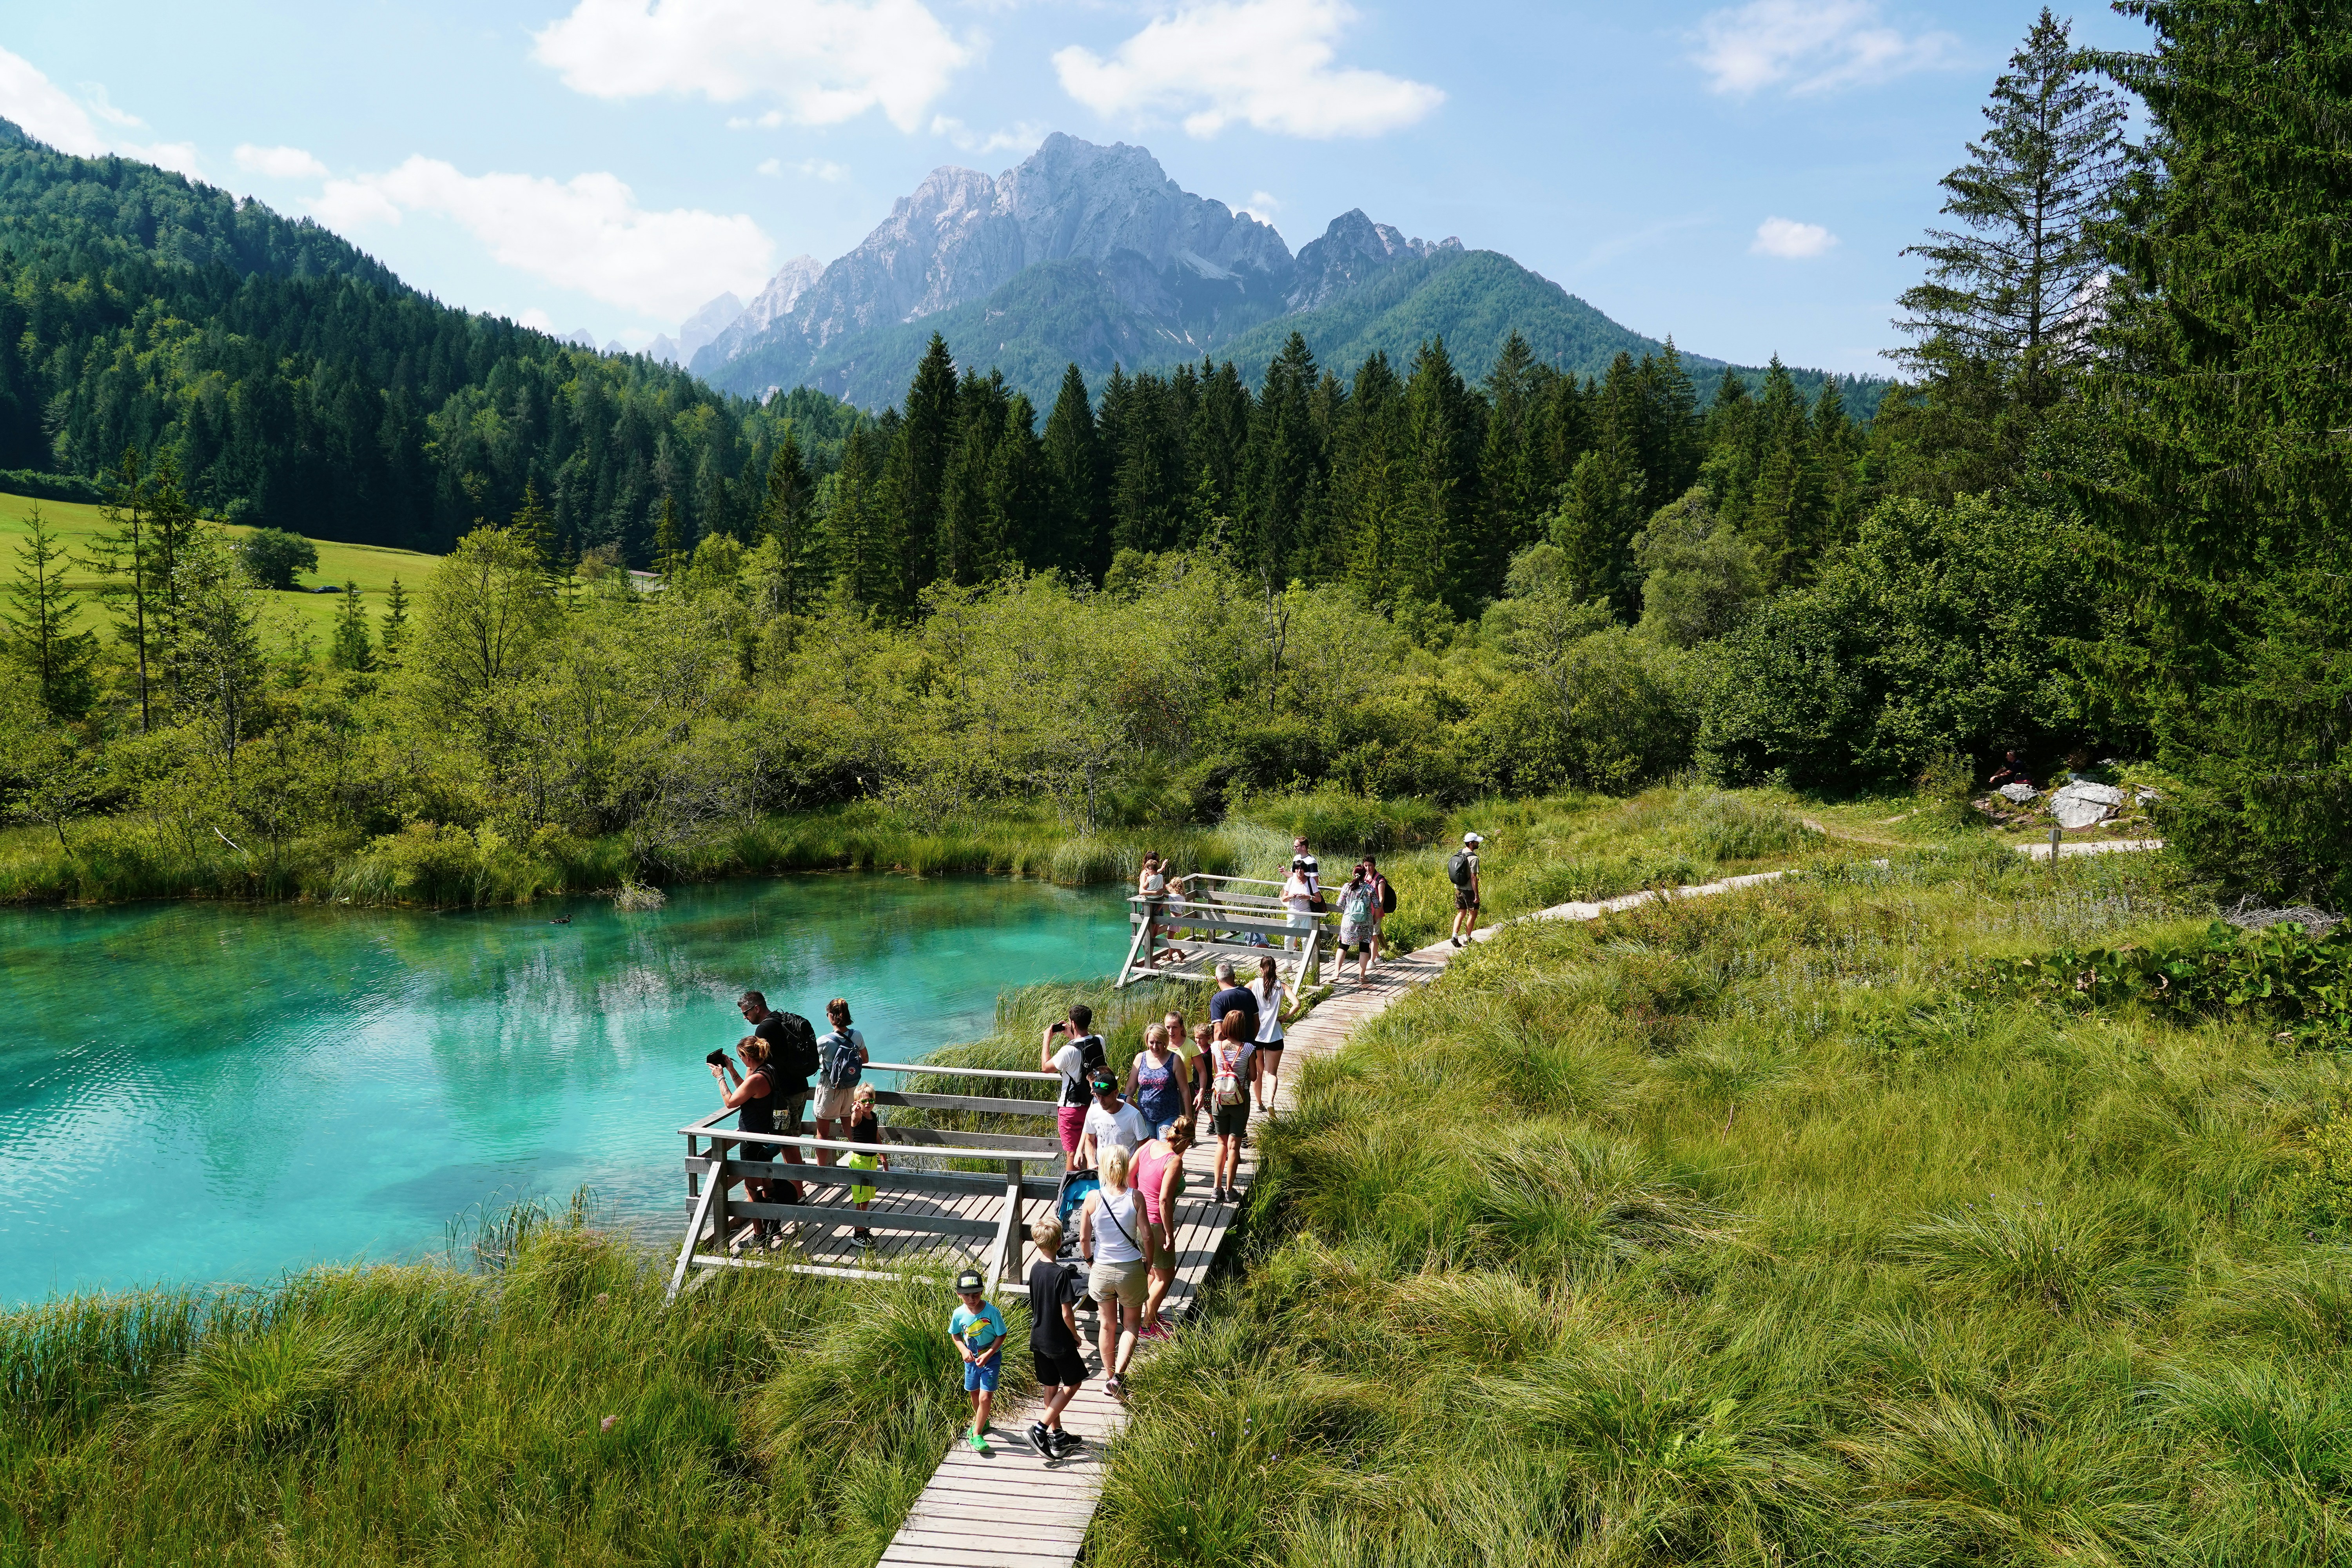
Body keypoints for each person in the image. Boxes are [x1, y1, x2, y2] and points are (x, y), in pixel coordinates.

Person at [1078, 1143, 1152, 1400]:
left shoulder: (1092, 1198)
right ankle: (1119, 1377)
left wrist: (1090, 1262)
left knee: (1106, 1325)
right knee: (1131, 1324)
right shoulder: (1136, 1197)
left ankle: (1109, 1377)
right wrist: (1148, 1264)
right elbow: (1147, 1236)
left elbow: (1084, 1239)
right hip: (1131, 1268)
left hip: (1102, 1269)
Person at [1024, 1218, 1087, 1459]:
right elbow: (1067, 1313)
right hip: (1059, 1341)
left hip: (1038, 1336)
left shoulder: (1034, 1269)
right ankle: (1039, 1430)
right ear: (1060, 1242)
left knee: (1050, 1386)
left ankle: (1058, 1437)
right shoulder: (1061, 1274)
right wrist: (1075, 1335)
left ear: (1036, 1242)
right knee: (1073, 1383)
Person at [708, 1034, 777, 1241]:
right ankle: (774, 1226)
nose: (740, 1060)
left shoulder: (756, 1078)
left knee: (750, 1186)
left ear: (748, 1056)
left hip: (752, 1139)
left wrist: (720, 1078)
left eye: (740, 1057)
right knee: (766, 1180)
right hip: (766, 1134)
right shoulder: (768, 1070)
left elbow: (731, 1101)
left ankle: (759, 1234)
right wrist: (730, 1069)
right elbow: (746, 1090)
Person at [737, 991, 811, 1176]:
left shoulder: (764, 1029)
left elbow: (756, 1062)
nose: (745, 1018)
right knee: (789, 1140)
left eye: (746, 1013)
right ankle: (797, 1186)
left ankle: (798, 1192)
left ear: (757, 1008)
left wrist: (746, 1088)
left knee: (787, 1143)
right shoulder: (780, 1018)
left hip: (787, 1093)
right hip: (801, 1086)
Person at [1134, 1120, 1194, 1337]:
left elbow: (1131, 1175)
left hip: (1137, 1219)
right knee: (1165, 1275)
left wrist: (1135, 1203)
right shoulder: (1174, 1161)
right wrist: (1170, 1233)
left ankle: (1146, 1315)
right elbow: (1165, 1201)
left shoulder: (1149, 1145)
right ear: (1186, 1141)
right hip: (1155, 1224)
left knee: (1152, 1270)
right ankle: (1148, 1326)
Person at [1041, 1005, 1108, 1170]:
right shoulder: (1100, 1041)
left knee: (1072, 1153)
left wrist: (1046, 1039)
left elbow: (1046, 1067)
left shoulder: (1067, 1051)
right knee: (1091, 1147)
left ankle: (1070, 1191)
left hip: (1071, 1108)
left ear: (1073, 1023)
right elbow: (1083, 1045)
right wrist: (1071, 1034)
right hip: (1094, 1103)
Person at [948, 1268, 1007, 1452]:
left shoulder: (992, 1313)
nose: (972, 1299)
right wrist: (963, 1350)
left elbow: (1001, 1334)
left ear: (982, 1292)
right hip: (971, 1360)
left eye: (975, 1294)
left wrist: (989, 1353)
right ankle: (982, 1419)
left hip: (991, 1359)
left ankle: (977, 1433)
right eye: (967, 1296)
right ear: (959, 1295)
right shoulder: (959, 1314)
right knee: (974, 1393)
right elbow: (955, 1334)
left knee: (985, 1396)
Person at [1207, 1012, 1258, 1203]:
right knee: (1234, 1146)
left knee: (1221, 1144)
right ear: (1242, 1028)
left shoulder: (1215, 1047)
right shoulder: (1248, 1049)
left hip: (1219, 1099)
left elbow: (1215, 1072)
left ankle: (1216, 1189)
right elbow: (1253, 1077)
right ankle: (1229, 1190)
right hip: (1240, 1100)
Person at [810, 998, 867, 1162]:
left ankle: (821, 1174)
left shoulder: (824, 1041)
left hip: (830, 1087)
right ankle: (862, 1164)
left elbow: (811, 1063)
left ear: (831, 1016)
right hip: (851, 1087)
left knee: (823, 1133)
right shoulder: (856, 1035)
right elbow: (866, 1059)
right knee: (851, 1128)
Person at [840, 1082, 888, 1243]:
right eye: (864, 1101)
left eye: (871, 1101)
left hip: (871, 1160)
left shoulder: (873, 1116)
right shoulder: (858, 1117)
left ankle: (862, 1228)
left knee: (867, 1198)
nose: (868, 1104)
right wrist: (855, 1111)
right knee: (861, 1199)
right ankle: (858, 1234)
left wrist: (883, 1157)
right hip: (859, 1161)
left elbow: (876, 1137)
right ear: (857, 1103)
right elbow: (855, 1117)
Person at [1248, 953, 1296, 1112]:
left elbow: (1240, 994)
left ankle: (1258, 1103)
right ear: (1275, 969)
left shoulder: (1254, 984)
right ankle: (1270, 1102)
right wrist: (1284, 1017)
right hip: (1275, 1035)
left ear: (1261, 969)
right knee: (1271, 1072)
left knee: (1258, 1072)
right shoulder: (1282, 986)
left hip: (1256, 1035)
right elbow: (1297, 1004)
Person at [1076, 1073, 1154, 1169]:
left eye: (1105, 1096)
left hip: (1126, 1172)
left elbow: (1144, 1146)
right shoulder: (1093, 1111)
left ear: (1116, 1093)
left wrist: (1131, 1170)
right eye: (1098, 1096)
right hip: (1102, 1170)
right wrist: (1092, 1162)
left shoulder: (1134, 1115)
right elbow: (1089, 1140)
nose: (1101, 1101)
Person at [1125, 1022, 1192, 1134]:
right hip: (1144, 1115)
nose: (1155, 1047)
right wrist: (1123, 1109)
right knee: (1149, 1149)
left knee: (1163, 1148)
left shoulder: (1175, 1060)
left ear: (1165, 1042)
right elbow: (1131, 1088)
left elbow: (1184, 1090)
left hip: (1168, 1115)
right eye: (1152, 1043)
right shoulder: (1140, 1058)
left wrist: (1189, 1117)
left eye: (1159, 1043)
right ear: (1147, 1042)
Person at [1335, 863, 1379, 986]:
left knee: (1343, 946)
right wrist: (1374, 917)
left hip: (1349, 923)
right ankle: (1362, 976)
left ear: (1354, 874)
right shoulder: (1370, 889)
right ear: (1365, 875)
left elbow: (1340, 904)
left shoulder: (1346, 887)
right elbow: (1377, 904)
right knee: (1364, 948)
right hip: (1366, 924)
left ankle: (1336, 973)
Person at [1208, 960, 1259, 1044]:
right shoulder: (1248, 993)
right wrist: (1250, 1042)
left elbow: (1219, 1031)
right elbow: (1257, 1024)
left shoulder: (1218, 999)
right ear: (1234, 976)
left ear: (1216, 979)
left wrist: (1217, 1052)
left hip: (1228, 1053)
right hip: (1249, 1048)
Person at [1449, 832, 1484, 947]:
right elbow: (1474, 878)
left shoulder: (1460, 853)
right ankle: (1467, 939)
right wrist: (1476, 895)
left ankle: (1454, 936)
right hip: (1469, 890)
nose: (1478, 843)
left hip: (1458, 888)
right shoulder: (1474, 858)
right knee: (1473, 914)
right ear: (1471, 844)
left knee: (1461, 913)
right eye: (1476, 842)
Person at [1365, 855, 1396, 967]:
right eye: (1366, 866)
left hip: (1376, 912)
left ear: (1375, 865)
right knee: (1369, 936)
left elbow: (1381, 899)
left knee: (1374, 936)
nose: (1368, 868)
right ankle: (1378, 957)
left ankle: (1372, 961)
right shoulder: (1365, 877)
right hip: (1366, 912)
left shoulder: (1380, 880)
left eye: (1370, 866)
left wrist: (1376, 914)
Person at [1281, 857, 1318, 952]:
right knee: (1289, 940)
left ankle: (1308, 965)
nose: (1299, 871)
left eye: (1302, 869)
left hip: (1307, 915)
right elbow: (1284, 899)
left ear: (1305, 870)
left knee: (1306, 940)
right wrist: (1290, 896)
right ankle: (1288, 965)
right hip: (1293, 915)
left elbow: (1318, 899)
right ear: (1294, 870)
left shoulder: (1311, 881)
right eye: (1297, 869)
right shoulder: (1291, 881)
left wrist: (1307, 897)